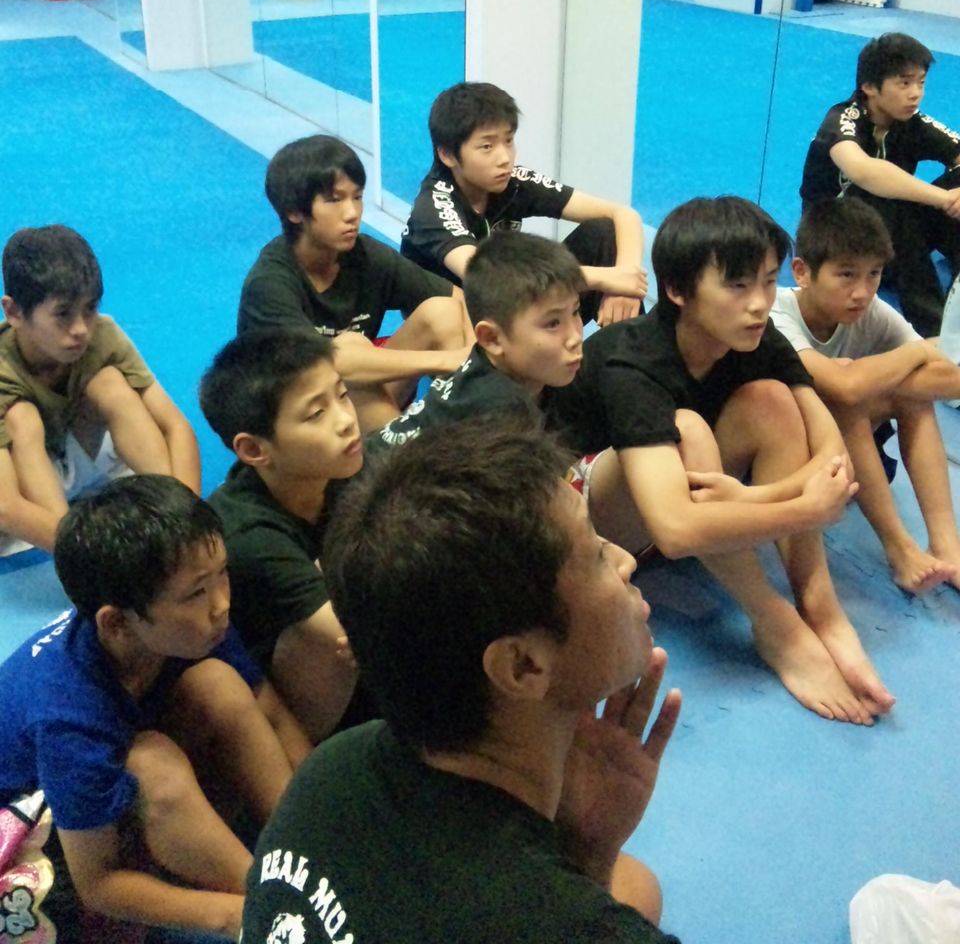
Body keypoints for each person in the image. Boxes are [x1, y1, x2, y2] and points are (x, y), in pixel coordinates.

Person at [242, 414, 683, 944]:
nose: (624, 560)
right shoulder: (578, 929)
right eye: (594, 554)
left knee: (636, 887)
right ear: (522, 666)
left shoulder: (334, 768)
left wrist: (585, 852)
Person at [548, 196, 893, 725]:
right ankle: (775, 623)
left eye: (769, 282)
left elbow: (831, 450)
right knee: (687, 428)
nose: (759, 304)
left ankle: (819, 604)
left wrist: (755, 497)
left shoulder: (754, 333)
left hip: (690, 503)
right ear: (677, 290)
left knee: (772, 400)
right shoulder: (633, 362)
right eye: (737, 286)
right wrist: (803, 508)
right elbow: (675, 530)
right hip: (597, 529)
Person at [0, 475, 308, 942]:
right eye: (196, 593)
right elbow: (99, 884)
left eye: (221, 573)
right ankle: (278, 899)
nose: (221, 604)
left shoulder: (189, 628)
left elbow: (275, 717)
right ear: (116, 623)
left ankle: (304, 861)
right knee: (152, 764)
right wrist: (239, 914)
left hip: (95, 796)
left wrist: (323, 824)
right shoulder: (68, 716)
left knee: (218, 686)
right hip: (35, 843)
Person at [770, 198, 960, 594]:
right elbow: (845, 388)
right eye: (846, 275)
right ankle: (899, 549)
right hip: (776, 458)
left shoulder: (870, 311)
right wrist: (915, 353)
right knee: (848, 399)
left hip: (846, 454)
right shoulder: (778, 315)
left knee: (907, 397)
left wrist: (870, 377)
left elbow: (950, 377)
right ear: (802, 272)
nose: (862, 291)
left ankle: (947, 546)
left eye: (874, 274)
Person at [238, 134, 472, 431]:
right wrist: (445, 361)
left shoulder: (365, 255)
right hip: (291, 417)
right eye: (334, 200)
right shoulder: (269, 284)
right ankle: (405, 452)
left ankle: (471, 432)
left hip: (352, 394)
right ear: (293, 212)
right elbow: (326, 364)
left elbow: (459, 300)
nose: (352, 214)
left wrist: (474, 362)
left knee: (443, 312)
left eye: (357, 197)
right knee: (349, 361)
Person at [201, 328, 361, 743]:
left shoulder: (343, 468)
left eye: (343, 395)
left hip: (354, 662)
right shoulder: (247, 536)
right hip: (279, 708)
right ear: (255, 450)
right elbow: (354, 631)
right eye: (316, 414)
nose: (347, 421)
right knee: (335, 642)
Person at [0, 225, 200, 553]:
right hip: (21, 492)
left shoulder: (102, 336)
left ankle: (169, 512)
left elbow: (175, 426)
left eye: (90, 308)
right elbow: (6, 505)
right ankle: (65, 532)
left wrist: (190, 521)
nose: (81, 329)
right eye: (63, 314)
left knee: (109, 383)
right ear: (14, 312)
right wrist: (87, 559)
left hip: (77, 461)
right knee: (22, 418)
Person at [400, 81, 647, 325]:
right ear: (447, 155)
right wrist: (606, 278)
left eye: (508, 140)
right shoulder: (433, 208)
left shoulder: (513, 182)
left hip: (513, 305)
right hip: (461, 326)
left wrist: (625, 280)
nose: (504, 158)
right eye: (487, 146)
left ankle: (631, 346)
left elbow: (623, 214)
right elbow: (488, 277)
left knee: (604, 233)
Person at [799, 32, 960, 336]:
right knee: (896, 204)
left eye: (921, 83)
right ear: (870, 87)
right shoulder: (842, 120)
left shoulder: (913, 123)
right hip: (836, 237)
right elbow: (865, 172)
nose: (915, 94)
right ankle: (935, 332)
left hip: (891, 237)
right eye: (904, 83)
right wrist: (943, 199)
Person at [367, 230, 584, 454]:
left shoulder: (493, 371)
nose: (575, 337)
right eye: (553, 323)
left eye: (576, 311)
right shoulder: (501, 412)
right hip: (376, 472)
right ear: (492, 338)